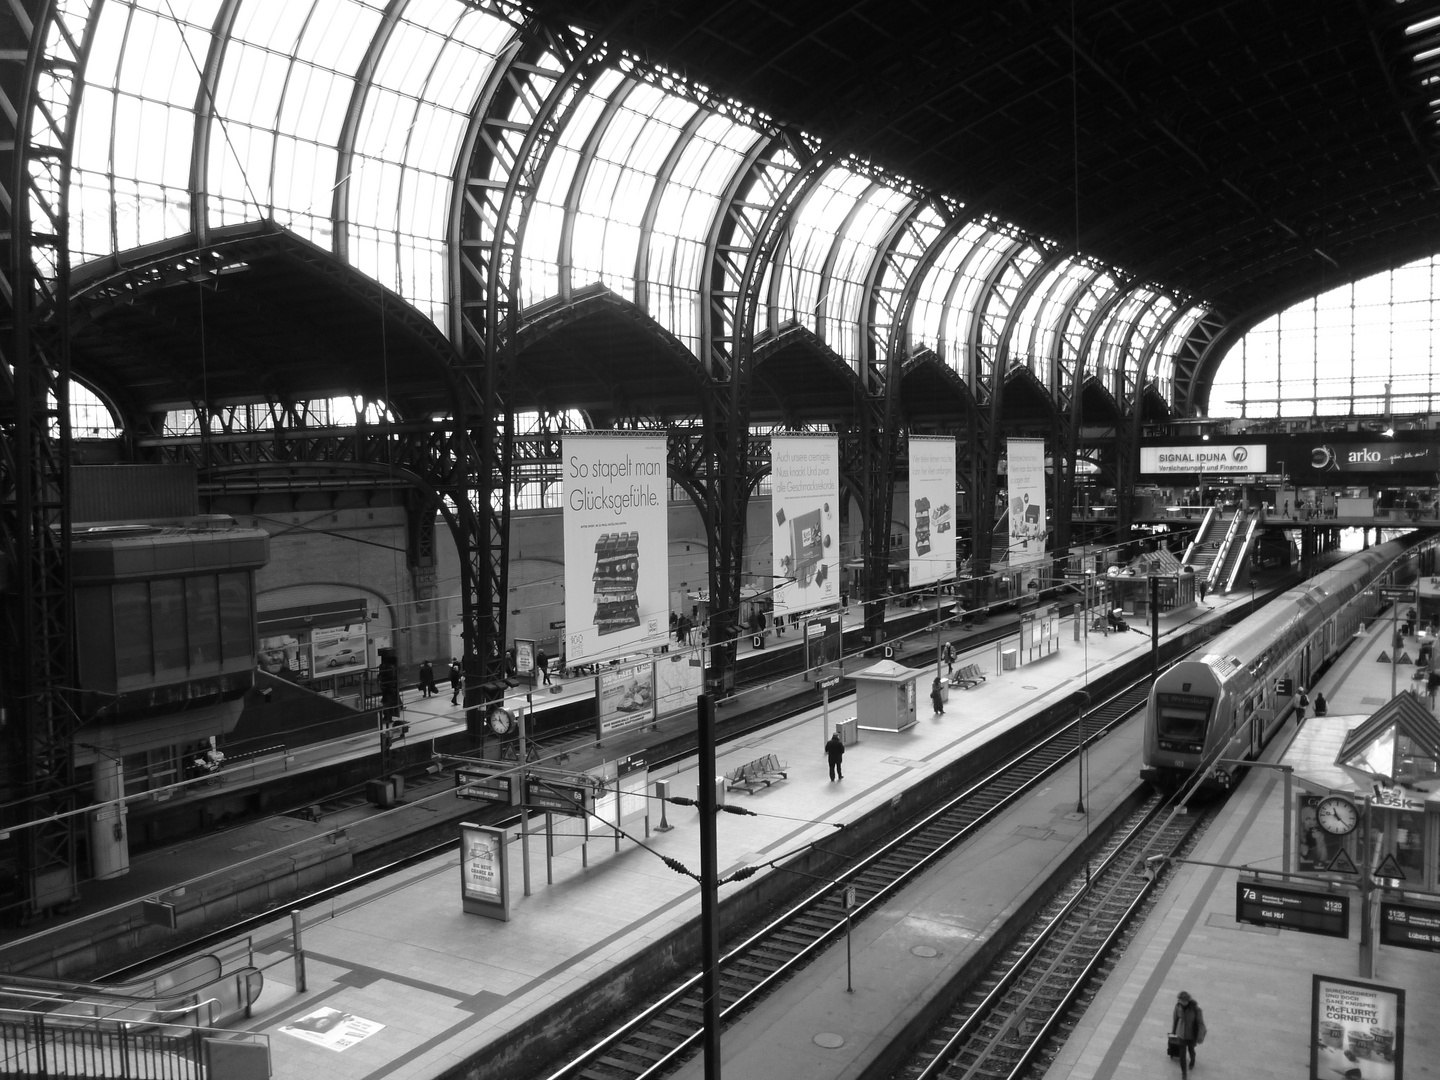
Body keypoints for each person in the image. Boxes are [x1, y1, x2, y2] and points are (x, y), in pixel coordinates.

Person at [1170, 990, 1205, 1076]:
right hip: (1181, 1035)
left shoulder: (1195, 1009)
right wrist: (1173, 1031)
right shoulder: (1178, 1007)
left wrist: (1200, 1036)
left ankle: (1192, 1061)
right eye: (1180, 1000)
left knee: (1191, 1050)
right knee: (1182, 1055)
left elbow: (1200, 1023)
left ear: (1187, 1000)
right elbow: (1175, 1019)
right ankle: (1184, 1073)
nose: (1181, 1002)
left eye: (1183, 1000)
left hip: (1191, 1035)